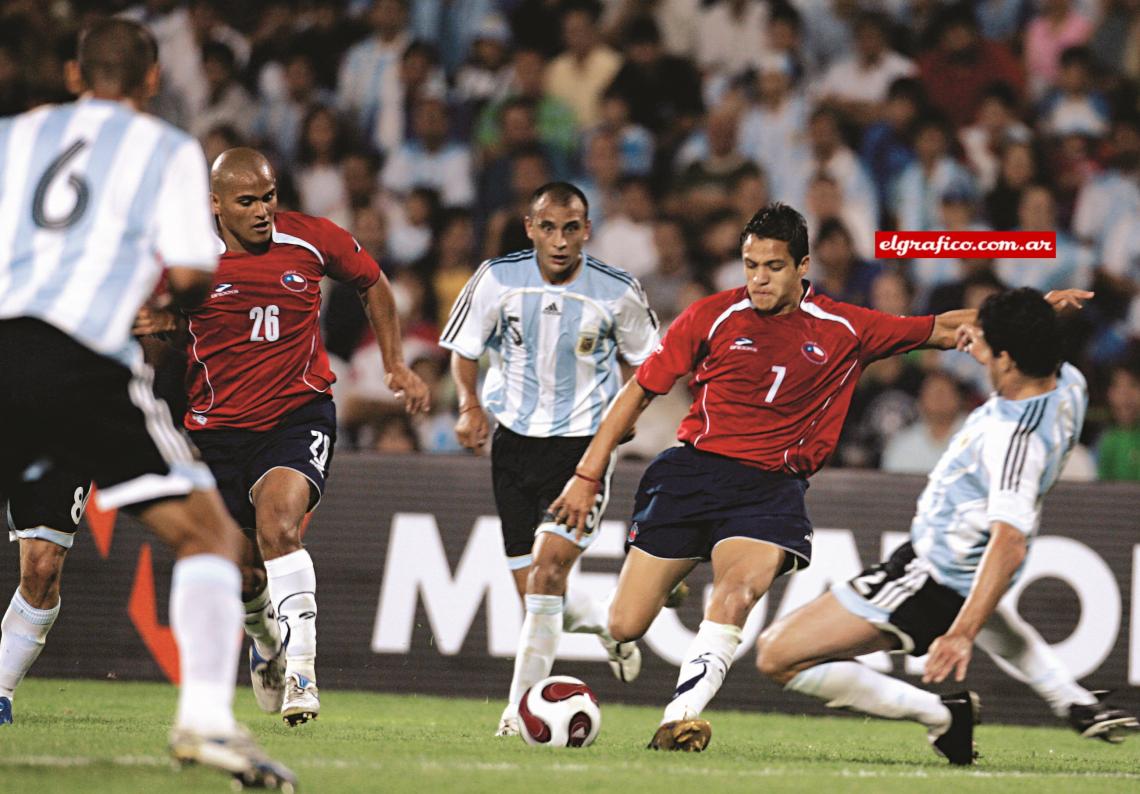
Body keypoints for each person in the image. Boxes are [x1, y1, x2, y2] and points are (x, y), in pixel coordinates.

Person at [549, 203, 1093, 752]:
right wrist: (587, 474)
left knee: (737, 594)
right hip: (691, 474)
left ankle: (679, 717)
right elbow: (639, 392)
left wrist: (1030, 321)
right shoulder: (709, 316)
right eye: (750, 265)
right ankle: (670, 583)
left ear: (803, 266)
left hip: (768, 491)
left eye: (773, 266)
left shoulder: (845, 327)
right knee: (624, 625)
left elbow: (946, 327)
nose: (759, 279)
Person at [0, 18, 294, 789]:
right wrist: (159, 294)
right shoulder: (164, 149)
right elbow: (195, 277)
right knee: (210, 539)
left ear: (74, 75)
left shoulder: (15, 135)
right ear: (153, 80)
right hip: (80, 359)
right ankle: (203, 721)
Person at [755, 288, 1139, 763]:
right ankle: (1073, 699)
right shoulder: (1069, 384)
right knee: (992, 618)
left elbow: (1010, 542)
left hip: (932, 574)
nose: (979, 350)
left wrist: (959, 632)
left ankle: (940, 713)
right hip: (961, 566)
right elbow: (1012, 352)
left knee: (777, 654)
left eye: (990, 347)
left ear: (1009, 360)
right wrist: (1032, 316)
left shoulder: (1016, 438)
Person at [137, 147, 429, 728]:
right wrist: (161, 328)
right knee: (243, 572)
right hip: (216, 431)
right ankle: (264, 640)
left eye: (268, 197)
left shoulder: (311, 239)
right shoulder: (185, 260)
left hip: (297, 415)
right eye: (247, 201)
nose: (263, 211)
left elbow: (373, 282)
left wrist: (395, 364)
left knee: (280, 526)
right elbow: (150, 333)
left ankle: (302, 673)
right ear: (215, 205)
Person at [439, 182, 660, 736]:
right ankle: (610, 624)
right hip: (512, 445)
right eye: (548, 227)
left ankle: (517, 715)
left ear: (587, 230)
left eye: (571, 228)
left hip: (582, 449)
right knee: (538, 595)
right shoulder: (495, 279)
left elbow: (652, 365)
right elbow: (464, 351)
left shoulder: (616, 291)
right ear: (530, 227)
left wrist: (626, 415)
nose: (559, 241)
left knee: (544, 575)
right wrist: (469, 406)